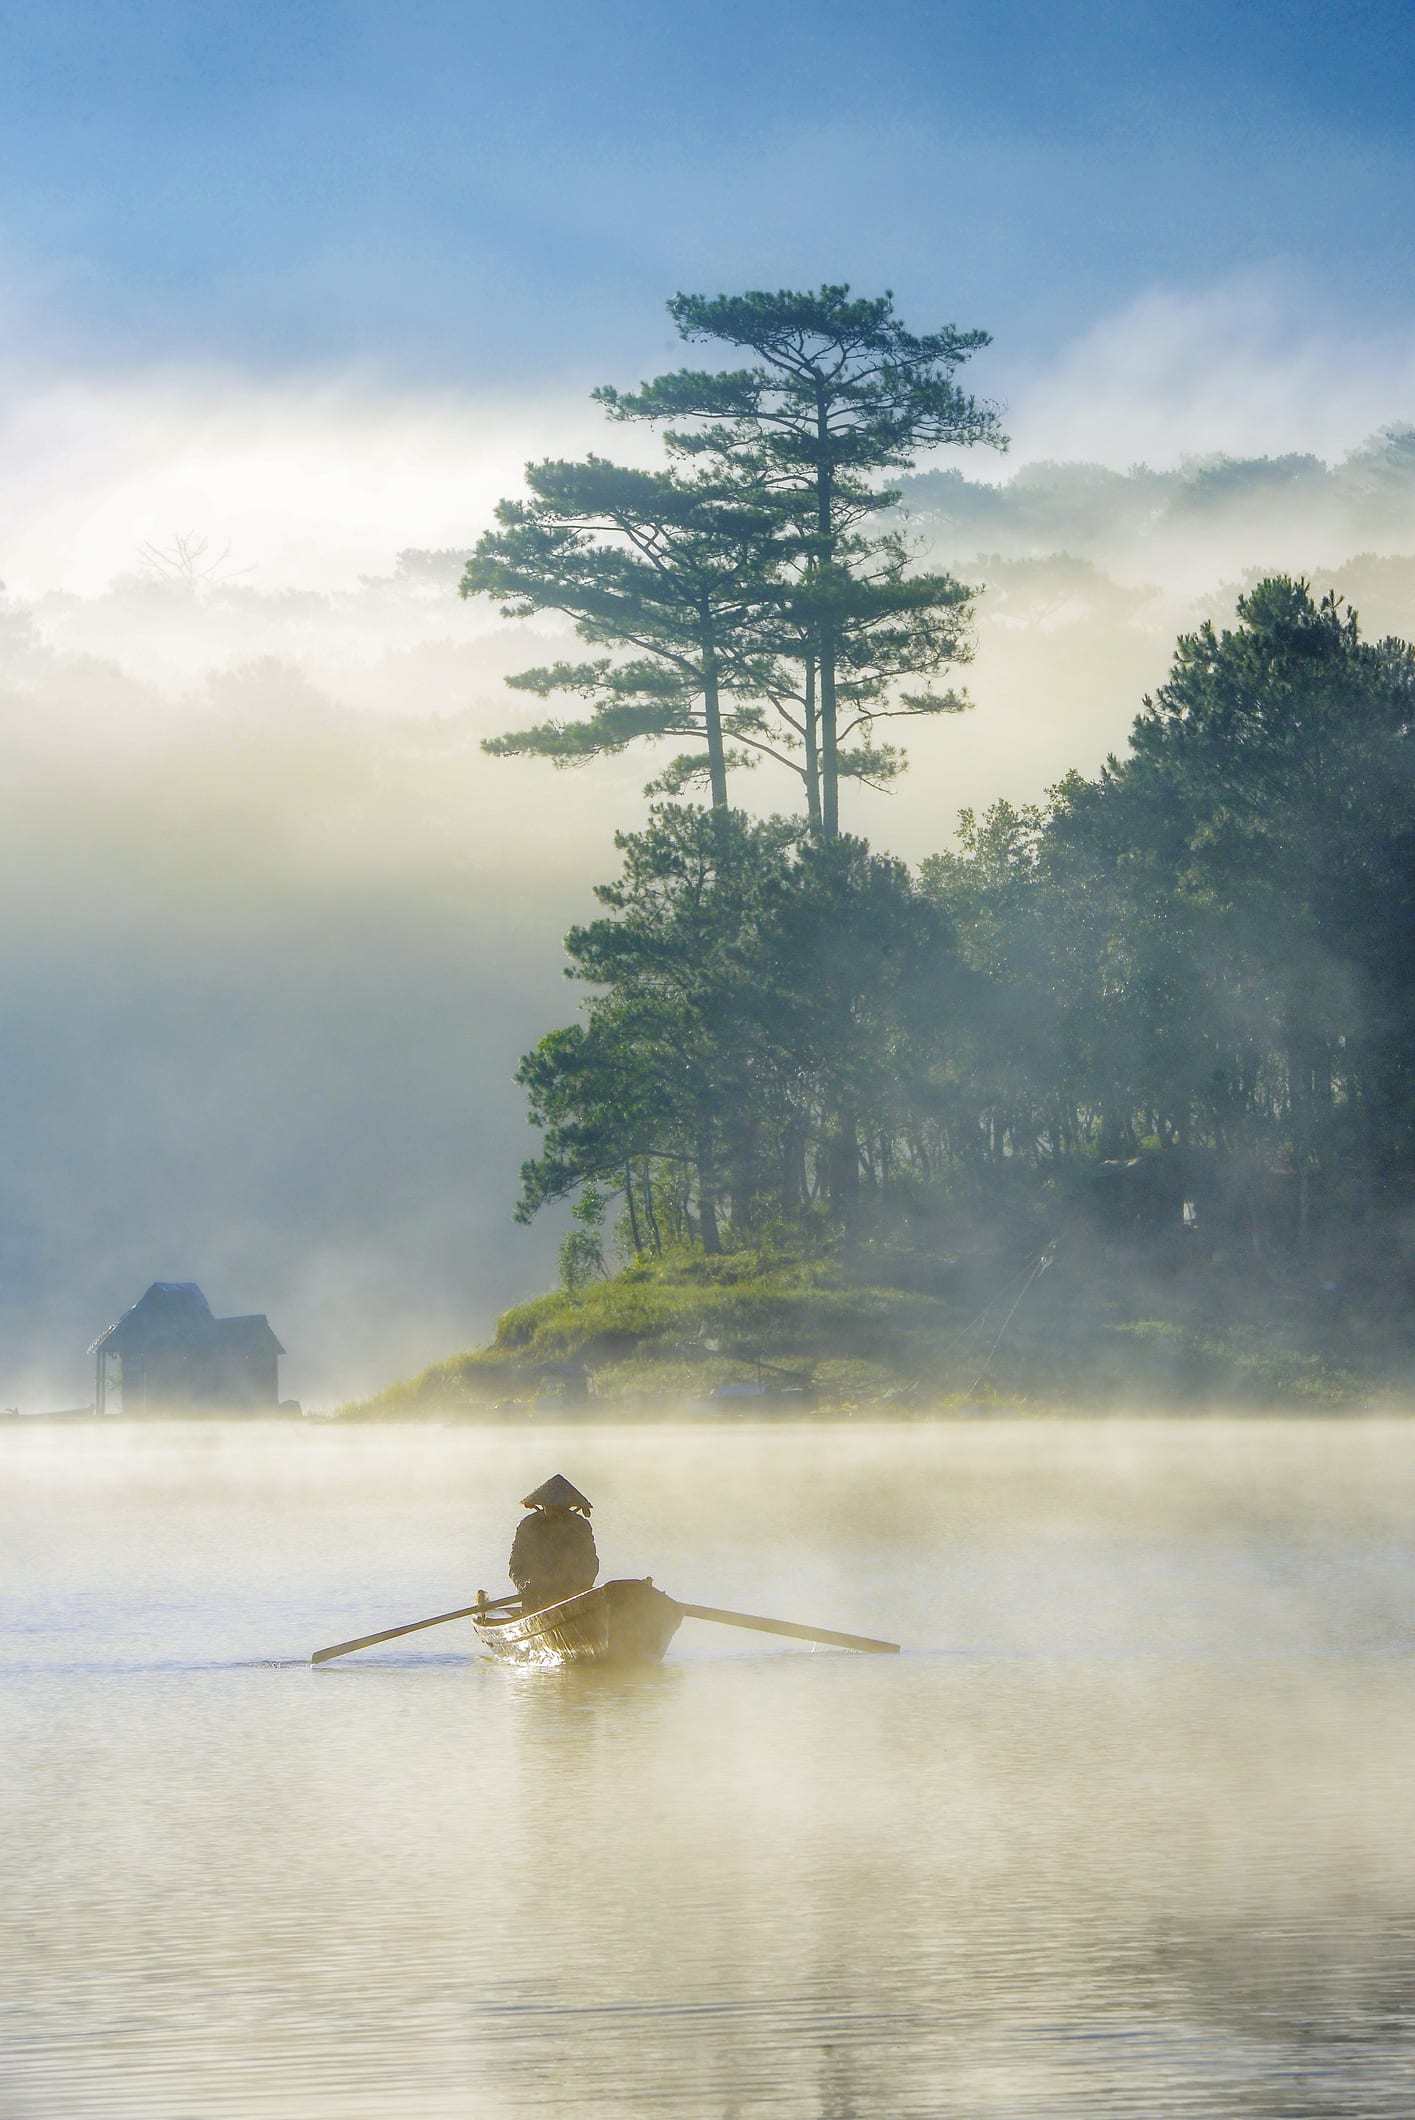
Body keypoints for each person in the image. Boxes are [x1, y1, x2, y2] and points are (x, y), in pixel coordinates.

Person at [508, 1474, 598, 1613]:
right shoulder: (529, 1526)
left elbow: (590, 1563)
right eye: (552, 1508)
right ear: (543, 1506)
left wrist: (581, 1584)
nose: (557, 1513)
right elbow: (516, 1566)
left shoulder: (580, 1526)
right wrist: (524, 1585)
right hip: (537, 1600)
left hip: (573, 1599)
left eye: (561, 1508)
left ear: (569, 1507)